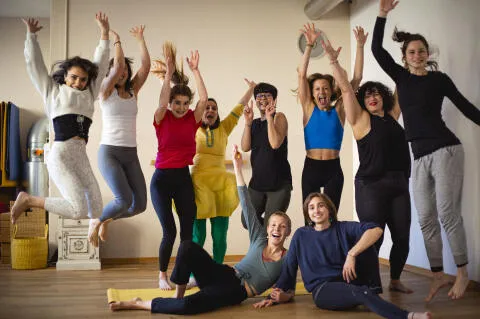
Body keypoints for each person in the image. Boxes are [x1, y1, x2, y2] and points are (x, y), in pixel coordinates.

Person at [372, 0, 480, 302]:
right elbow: (378, 51)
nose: (418, 55)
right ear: (405, 58)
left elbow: (465, 106)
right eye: (412, 52)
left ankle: (461, 273)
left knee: (448, 214)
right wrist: (382, 15)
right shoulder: (402, 78)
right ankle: (436, 275)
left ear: (427, 54)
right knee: (427, 219)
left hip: (446, 150)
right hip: (418, 156)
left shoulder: (439, 80)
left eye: (422, 51)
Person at [109, 145, 292, 314]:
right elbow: (246, 203)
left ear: (288, 232)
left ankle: (137, 303)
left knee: (190, 306)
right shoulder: (259, 238)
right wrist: (237, 166)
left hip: (236, 291)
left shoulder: (288, 258)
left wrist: (278, 298)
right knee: (187, 246)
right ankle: (178, 295)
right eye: (274, 225)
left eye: (282, 226)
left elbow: (289, 289)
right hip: (225, 273)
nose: (277, 229)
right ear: (267, 229)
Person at [11, 14, 110, 247]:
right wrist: (31, 36)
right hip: (61, 155)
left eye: (83, 79)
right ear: (65, 76)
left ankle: (93, 228)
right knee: (77, 209)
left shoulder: (89, 95)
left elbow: (102, 64)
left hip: (80, 155)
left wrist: (104, 35)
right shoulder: (53, 93)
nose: (78, 83)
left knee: (96, 203)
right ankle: (29, 199)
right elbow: (35, 66)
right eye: (74, 77)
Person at [322, 36, 412, 292]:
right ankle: (370, 283)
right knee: (373, 237)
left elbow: (402, 83)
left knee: (403, 239)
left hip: (399, 184)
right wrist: (333, 59)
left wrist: (407, 60)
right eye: (368, 94)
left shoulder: (393, 115)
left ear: (383, 97)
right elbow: (346, 87)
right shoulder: (360, 120)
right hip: (371, 186)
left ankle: (394, 280)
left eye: (376, 93)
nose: (372, 97)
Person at [253, 191, 432, 319]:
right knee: (361, 293)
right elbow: (289, 268)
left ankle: (371, 292)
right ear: (308, 214)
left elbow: (376, 230)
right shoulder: (301, 235)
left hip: (349, 281)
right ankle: (408, 316)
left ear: (329, 209)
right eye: (311, 207)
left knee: (366, 243)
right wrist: (274, 296)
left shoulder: (343, 228)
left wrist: (352, 254)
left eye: (321, 205)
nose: (316, 210)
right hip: (323, 290)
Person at [149, 42, 207, 290]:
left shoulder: (193, 119)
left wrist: (195, 70)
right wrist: (169, 75)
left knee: (186, 234)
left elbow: (204, 99)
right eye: (177, 103)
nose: (181, 107)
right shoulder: (162, 118)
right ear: (171, 103)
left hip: (183, 178)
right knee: (169, 232)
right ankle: (162, 275)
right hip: (161, 181)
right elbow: (161, 103)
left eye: (185, 103)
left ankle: (184, 275)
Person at [297, 23, 367, 216]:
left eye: (326, 88)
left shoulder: (340, 109)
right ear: (312, 93)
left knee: (331, 217)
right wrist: (309, 47)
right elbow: (302, 75)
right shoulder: (308, 108)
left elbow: (357, 78)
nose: (322, 91)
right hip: (311, 168)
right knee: (310, 219)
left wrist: (359, 46)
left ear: (331, 91)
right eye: (318, 88)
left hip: (333, 169)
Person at [92, 25, 151, 243]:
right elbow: (116, 66)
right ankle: (97, 221)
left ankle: (107, 221)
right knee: (123, 200)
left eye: (127, 69)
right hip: (109, 152)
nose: (123, 71)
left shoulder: (133, 90)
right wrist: (116, 40)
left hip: (130, 154)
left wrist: (140, 39)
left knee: (140, 205)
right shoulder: (105, 92)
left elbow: (145, 66)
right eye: (120, 69)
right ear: (110, 74)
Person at [191, 79, 256, 267]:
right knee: (198, 236)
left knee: (219, 235)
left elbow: (239, 107)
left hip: (221, 186)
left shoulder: (224, 128)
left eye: (214, 108)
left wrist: (251, 89)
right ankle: (195, 274)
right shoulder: (192, 127)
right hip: (198, 186)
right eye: (206, 108)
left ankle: (217, 269)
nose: (210, 110)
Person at [240, 82, 292, 229]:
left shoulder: (279, 117)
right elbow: (245, 147)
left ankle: (268, 244)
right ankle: (265, 236)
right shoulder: (254, 123)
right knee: (247, 221)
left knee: (272, 224)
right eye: (259, 96)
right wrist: (248, 123)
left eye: (267, 95)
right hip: (257, 184)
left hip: (278, 184)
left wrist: (269, 118)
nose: (262, 98)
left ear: (274, 99)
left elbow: (275, 143)